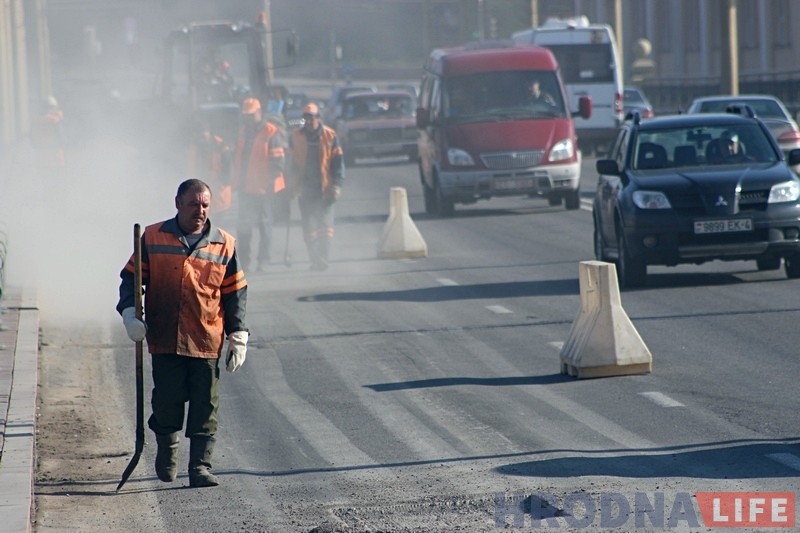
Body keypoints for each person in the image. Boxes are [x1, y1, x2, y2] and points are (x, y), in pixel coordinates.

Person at [116, 178, 249, 488]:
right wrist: (130, 312)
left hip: (206, 338)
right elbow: (130, 279)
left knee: (206, 405)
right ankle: (168, 451)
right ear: (177, 203)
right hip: (165, 337)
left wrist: (238, 334)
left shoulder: (224, 243)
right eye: (193, 204)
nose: (199, 211)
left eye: (204, 205)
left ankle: (200, 467)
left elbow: (234, 293)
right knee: (166, 401)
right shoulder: (152, 236)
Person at [288, 102, 345, 270]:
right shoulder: (296, 136)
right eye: (306, 117)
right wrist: (291, 187)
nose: (309, 121)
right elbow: (290, 164)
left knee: (325, 226)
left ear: (318, 118)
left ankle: (323, 258)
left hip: (325, 189)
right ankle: (314, 258)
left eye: (312, 117)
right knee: (309, 227)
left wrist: (337, 185)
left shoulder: (330, 136)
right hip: (304, 190)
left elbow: (338, 164)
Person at [232, 97, 286, 271]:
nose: (248, 118)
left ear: (258, 112)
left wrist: (270, 181)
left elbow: (278, 161)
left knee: (264, 224)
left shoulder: (271, 132)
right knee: (244, 225)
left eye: (250, 115)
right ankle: (245, 261)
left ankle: (263, 260)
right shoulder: (242, 131)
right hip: (246, 187)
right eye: (245, 115)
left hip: (264, 188)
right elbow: (238, 158)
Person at [187, 116, 232, 212]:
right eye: (198, 134)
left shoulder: (221, 146)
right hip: (200, 193)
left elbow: (228, 170)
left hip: (219, 192)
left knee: (218, 223)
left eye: (203, 133)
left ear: (209, 132)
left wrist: (221, 184)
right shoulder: (194, 147)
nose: (201, 137)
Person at [30, 96, 65, 176]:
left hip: (41, 162)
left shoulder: (35, 122)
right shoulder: (55, 121)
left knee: (45, 186)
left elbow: (32, 142)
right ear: (54, 108)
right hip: (56, 161)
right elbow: (63, 140)